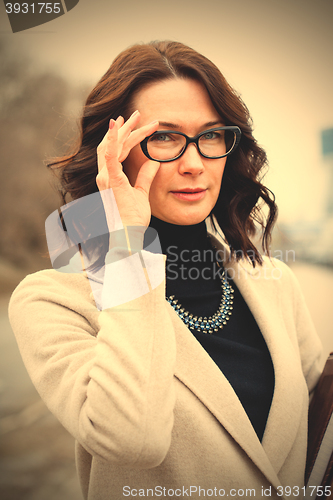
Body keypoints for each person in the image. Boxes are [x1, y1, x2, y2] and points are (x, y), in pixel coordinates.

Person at [9, 40, 322, 499]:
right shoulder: (52, 300)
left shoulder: (274, 282)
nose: (194, 164)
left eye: (211, 135)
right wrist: (123, 244)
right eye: (165, 137)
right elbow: (133, 438)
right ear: (113, 152)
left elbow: (320, 425)